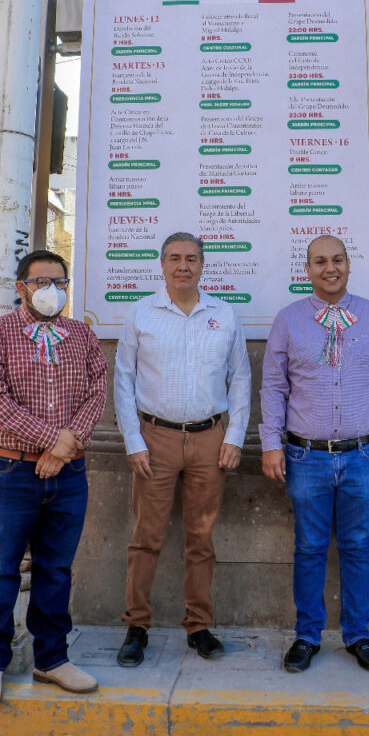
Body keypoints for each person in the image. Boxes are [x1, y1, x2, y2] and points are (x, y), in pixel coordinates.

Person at [260, 235, 369, 674]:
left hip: (362, 455)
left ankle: (358, 634)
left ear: (348, 264)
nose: (330, 268)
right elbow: (274, 387)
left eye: (337, 260)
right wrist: (271, 444)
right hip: (306, 457)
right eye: (320, 261)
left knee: (358, 545)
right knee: (309, 547)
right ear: (307, 269)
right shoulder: (289, 320)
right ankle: (307, 635)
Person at [0, 250, 108, 708]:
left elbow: (96, 390)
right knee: (1, 565)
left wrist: (65, 448)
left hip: (68, 474)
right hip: (11, 470)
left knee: (56, 568)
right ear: (21, 287)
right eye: (41, 282)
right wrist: (54, 440)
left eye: (60, 282)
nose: (52, 290)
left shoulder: (81, 334)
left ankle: (52, 659)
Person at [114, 232, 251, 666]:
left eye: (191, 258)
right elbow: (123, 380)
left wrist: (234, 436)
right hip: (155, 438)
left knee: (201, 536)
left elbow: (241, 377)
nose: (183, 266)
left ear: (203, 265)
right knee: (146, 537)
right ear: (162, 265)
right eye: (174, 258)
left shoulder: (224, 314)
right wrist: (133, 440)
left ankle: (199, 626)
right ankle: (137, 626)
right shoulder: (141, 313)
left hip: (210, 439)